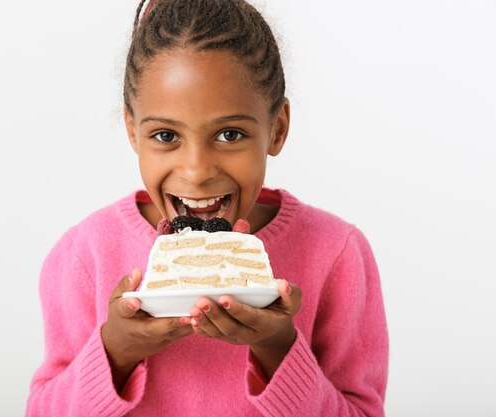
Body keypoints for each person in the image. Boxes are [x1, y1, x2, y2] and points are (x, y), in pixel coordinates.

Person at [25, 1, 388, 416]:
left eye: (230, 134)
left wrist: (277, 349)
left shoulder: (337, 254)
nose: (197, 172)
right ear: (132, 131)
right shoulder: (83, 255)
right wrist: (116, 351)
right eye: (165, 135)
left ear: (278, 128)